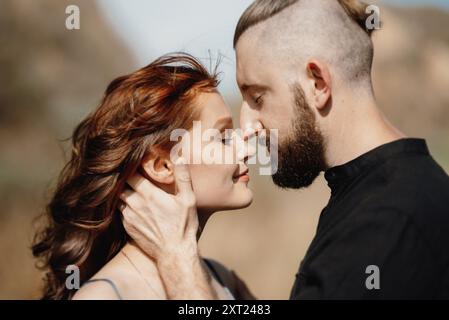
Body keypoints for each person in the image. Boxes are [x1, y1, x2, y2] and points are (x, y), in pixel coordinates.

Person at [120, 0, 449, 299]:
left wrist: (179, 264)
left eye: (258, 97)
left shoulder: (389, 221)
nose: (248, 126)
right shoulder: (372, 194)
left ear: (317, 83)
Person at [32, 54, 255, 300]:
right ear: (161, 165)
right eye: (222, 137)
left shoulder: (223, 279)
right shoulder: (104, 296)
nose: (247, 151)